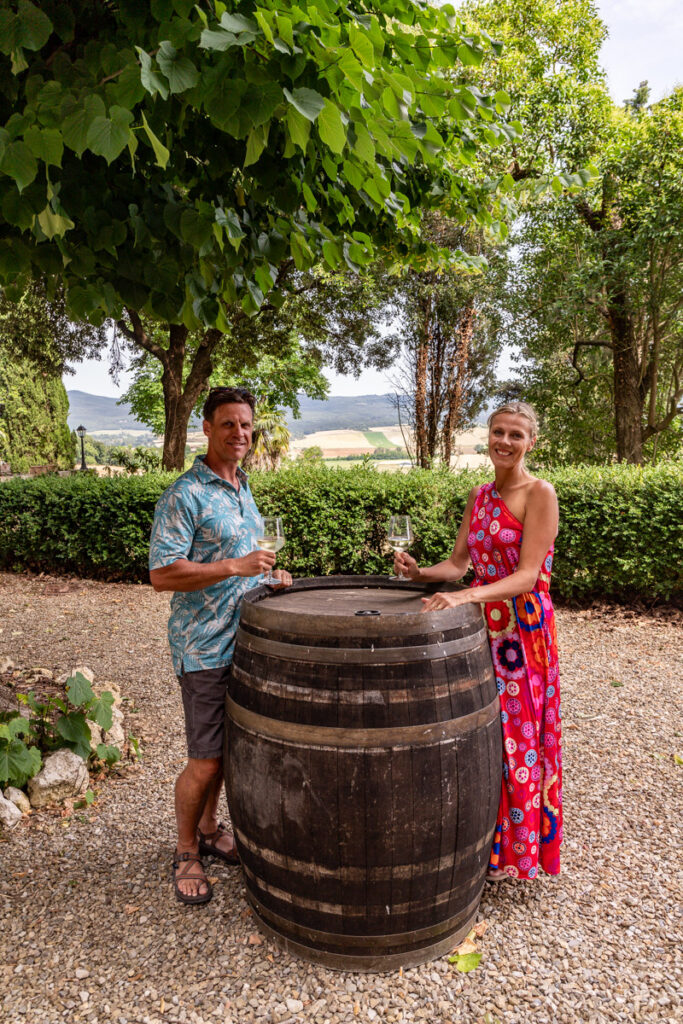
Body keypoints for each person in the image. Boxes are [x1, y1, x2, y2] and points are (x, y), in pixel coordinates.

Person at [393, 401, 562, 880]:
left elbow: (528, 576)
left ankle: (518, 852)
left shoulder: (539, 493)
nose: (505, 442)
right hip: (481, 626)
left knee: (519, 735)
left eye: (515, 435)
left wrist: (465, 596)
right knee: (484, 730)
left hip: (522, 631)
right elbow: (458, 566)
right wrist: (420, 572)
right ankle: (484, 845)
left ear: (531, 443)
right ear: (487, 437)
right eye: (498, 432)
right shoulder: (479, 495)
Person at [149, 386, 292, 905]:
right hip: (204, 647)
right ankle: (186, 850)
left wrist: (266, 579)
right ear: (206, 428)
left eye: (247, 426)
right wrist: (235, 565)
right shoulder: (184, 495)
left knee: (230, 753)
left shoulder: (242, 486)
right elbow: (163, 574)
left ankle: (210, 831)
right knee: (206, 760)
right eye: (228, 424)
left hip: (246, 646)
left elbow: (247, 559)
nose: (240, 434)